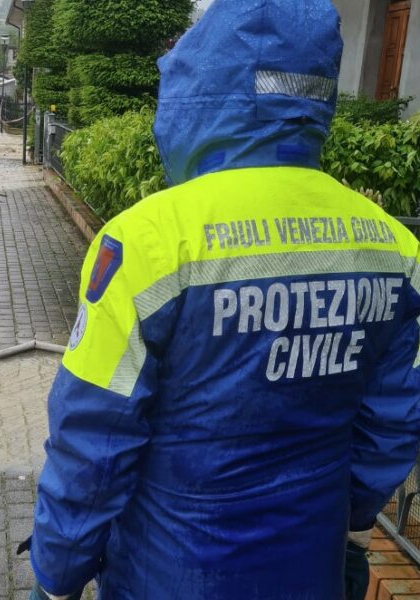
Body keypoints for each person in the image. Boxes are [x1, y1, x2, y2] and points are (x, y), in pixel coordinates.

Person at [26, 0, 420, 598]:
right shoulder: (394, 246)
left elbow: (95, 441)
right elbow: (391, 421)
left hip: (168, 573)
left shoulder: (148, 242)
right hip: (308, 566)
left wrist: (56, 575)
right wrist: (355, 531)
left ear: (199, 87)